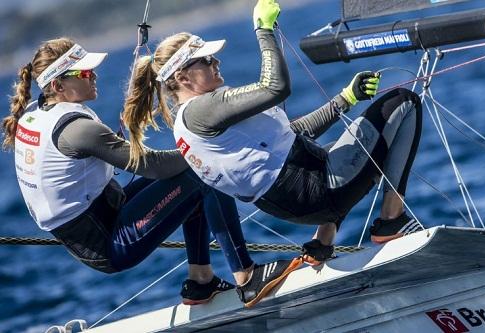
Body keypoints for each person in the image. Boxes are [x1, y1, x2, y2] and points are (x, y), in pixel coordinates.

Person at [127, 0, 422, 291]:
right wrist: (263, 29)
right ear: (182, 76)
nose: (216, 62)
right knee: (403, 102)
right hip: (314, 191)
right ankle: (391, 221)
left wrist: (346, 98)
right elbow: (275, 87)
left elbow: (292, 135)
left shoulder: (191, 119)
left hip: (296, 199)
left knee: (347, 145)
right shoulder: (203, 109)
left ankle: (322, 242)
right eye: (205, 60)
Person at [2, 36, 302, 308]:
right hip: (108, 243)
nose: (93, 74)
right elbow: (153, 166)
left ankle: (201, 283)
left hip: (102, 216)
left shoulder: (37, 112)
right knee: (202, 173)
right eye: (83, 72)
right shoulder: (77, 130)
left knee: (193, 177)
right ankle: (247, 278)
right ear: (57, 86)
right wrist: (205, 149)